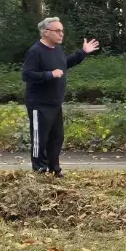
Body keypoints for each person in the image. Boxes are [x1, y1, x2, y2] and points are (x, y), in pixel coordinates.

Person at [21, 17, 100, 177]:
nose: (61, 34)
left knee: (56, 138)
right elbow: (27, 75)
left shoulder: (57, 49)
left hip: (55, 103)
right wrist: (49, 74)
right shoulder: (35, 51)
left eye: (62, 31)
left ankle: (54, 169)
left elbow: (65, 63)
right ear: (46, 32)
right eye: (57, 31)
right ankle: (39, 171)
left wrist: (82, 53)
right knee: (39, 139)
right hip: (39, 104)